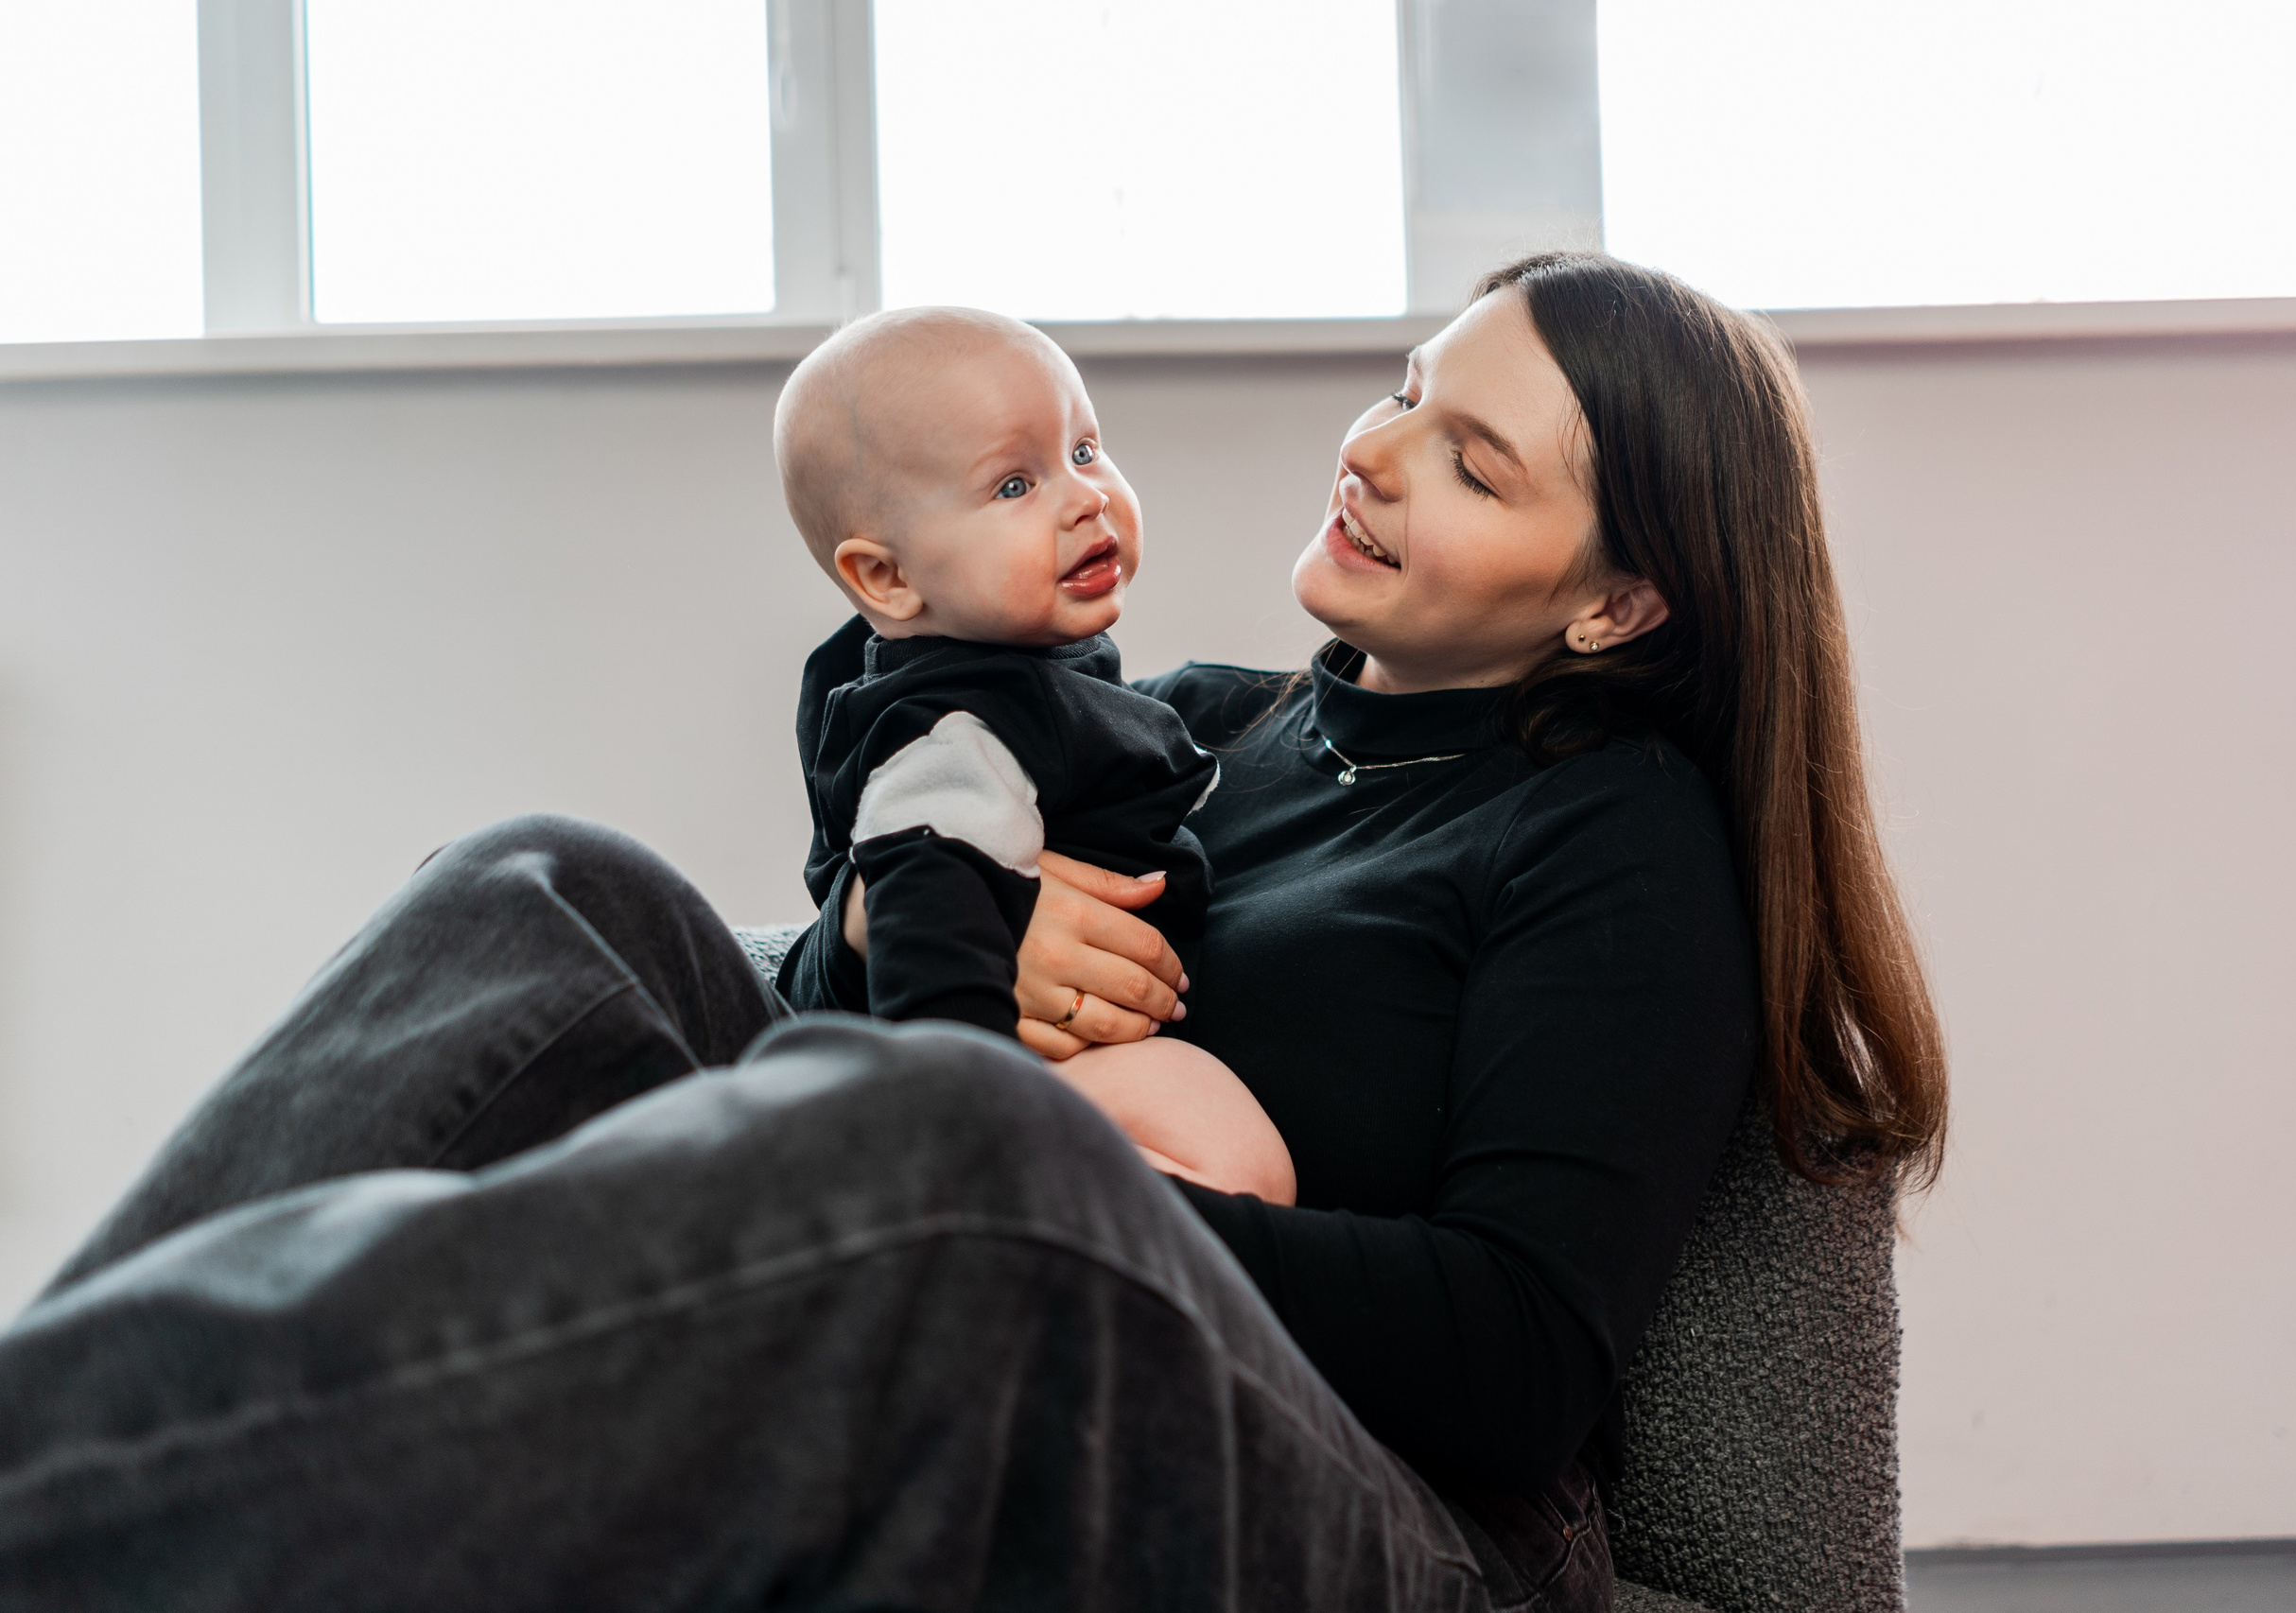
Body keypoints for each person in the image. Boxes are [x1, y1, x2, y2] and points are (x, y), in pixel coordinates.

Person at [0, 252, 1947, 1613]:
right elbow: (894, 841)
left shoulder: (1615, 843)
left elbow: (1522, 1358)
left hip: (1406, 1526)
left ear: (1612, 608)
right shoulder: (1195, 724)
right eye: (1408, 392)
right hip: (1038, 1321)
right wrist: (890, 934)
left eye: (1470, 459)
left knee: (953, 1132)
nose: (1372, 448)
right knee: (547, 889)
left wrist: (1079, 1205)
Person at [770, 304, 1287, 1201]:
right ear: (886, 579)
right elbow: (925, 890)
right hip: (1020, 1058)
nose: (1086, 496)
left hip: (1070, 1036)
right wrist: (971, 1101)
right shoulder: (959, 725)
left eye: (1085, 450)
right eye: (1014, 485)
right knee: (1239, 1162)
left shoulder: (1017, 666)